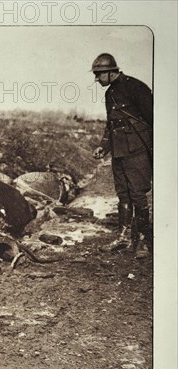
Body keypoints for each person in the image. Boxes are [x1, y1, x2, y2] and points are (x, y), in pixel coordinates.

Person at [91, 53, 153, 257]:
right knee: (123, 194)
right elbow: (111, 126)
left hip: (137, 150)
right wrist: (103, 146)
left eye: (99, 74)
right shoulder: (110, 94)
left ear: (111, 72)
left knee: (137, 193)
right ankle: (124, 238)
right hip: (119, 151)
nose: (97, 79)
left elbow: (154, 119)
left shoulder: (136, 87)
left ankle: (143, 240)